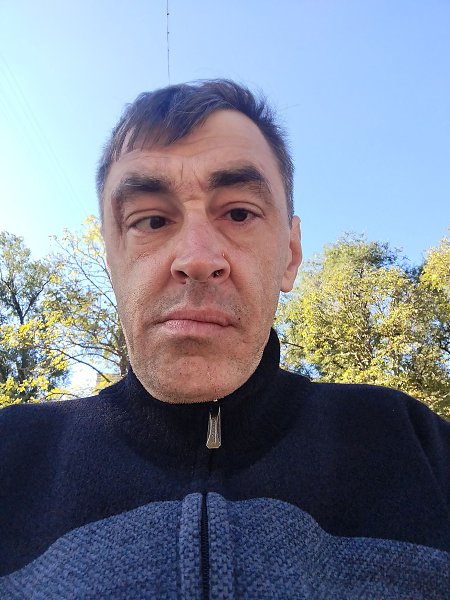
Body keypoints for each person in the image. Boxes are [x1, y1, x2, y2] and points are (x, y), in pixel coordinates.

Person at [0, 80, 449, 599]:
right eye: (151, 220)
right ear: (112, 259)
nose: (197, 258)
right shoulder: (11, 457)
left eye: (239, 213)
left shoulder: (419, 449)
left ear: (290, 255)